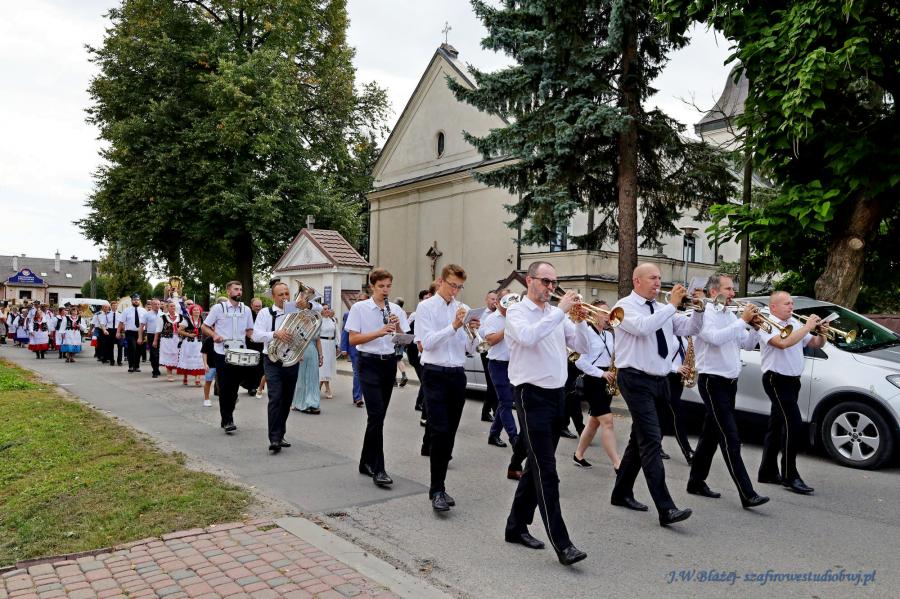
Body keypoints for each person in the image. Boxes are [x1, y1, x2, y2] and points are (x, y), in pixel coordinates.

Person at [503, 261, 590, 566]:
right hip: (530, 394)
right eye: (546, 281)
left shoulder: (556, 314)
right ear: (529, 281)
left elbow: (581, 347)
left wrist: (581, 321)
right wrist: (561, 312)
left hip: (556, 395)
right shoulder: (517, 311)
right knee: (547, 471)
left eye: (554, 282)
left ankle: (515, 526)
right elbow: (528, 337)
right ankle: (563, 544)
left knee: (536, 466)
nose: (551, 287)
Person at [609, 264, 701, 527]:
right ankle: (666, 508)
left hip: (660, 380)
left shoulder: (662, 308)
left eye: (659, 278)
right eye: (652, 278)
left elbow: (690, 328)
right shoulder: (623, 307)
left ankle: (621, 492)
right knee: (651, 441)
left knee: (641, 438)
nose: (658, 282)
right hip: (635, 378)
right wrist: (672, 306)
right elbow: (642, 328)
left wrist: (700, 310)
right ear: (637, 281)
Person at [686, 274, 769, 509]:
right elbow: (715, 338)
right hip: (712, 382)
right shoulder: (705, 313)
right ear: (714, 292)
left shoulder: (730, 315)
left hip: (730, 383)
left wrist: (755, 328)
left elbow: (747, 344)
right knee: (729, 436)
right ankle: (747, 493)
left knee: (711, 435)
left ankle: (695, 482)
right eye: (729, 289)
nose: (733, 294)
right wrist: (742, 321)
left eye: (732, 289)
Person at [415, 264, 481, 512]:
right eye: (453, 285)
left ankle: (440, 487)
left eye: (460, 287)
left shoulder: (462, 308)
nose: (455, 291)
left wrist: (473, 331)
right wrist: (453, 326)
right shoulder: (425, 307)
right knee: (440, 431)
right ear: (441, 281)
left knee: (450, 431)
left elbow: (470, 349)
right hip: (434, 373)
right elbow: (427, 343)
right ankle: (437, 489)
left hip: (456, 374)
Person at [345, 268, 410, 488]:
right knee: (376, 414)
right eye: (381, 286)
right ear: (372, 286)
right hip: (368, 363)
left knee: (377, 418)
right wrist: (379, 332)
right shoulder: (360, 308)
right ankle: (379, 468)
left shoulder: (396, 309)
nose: (385, 290)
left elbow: (405, 339)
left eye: (388, 286)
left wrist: (397, 325)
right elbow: (353, 339)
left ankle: (365, 462)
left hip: (388, 363)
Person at [758, 291, 826, 495]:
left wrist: (822, 333)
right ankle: (790, 475)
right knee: (793, 424)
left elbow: (815, 344)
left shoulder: (794, 322)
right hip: (776, 379)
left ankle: (767, 471)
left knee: (776, 425)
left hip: (793, 381)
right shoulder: (766, 323)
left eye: (791, 303)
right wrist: (807, 327)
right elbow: (782, 343)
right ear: (773, 307)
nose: (791, 307)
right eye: (786, 303)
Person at [253, 281, 304, 453]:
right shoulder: (265, 313)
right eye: (281, 294)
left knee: (287, 399)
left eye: (286, 293)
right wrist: (275, 334)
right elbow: (256, 336)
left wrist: (299, 348)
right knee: (275, 398)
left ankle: (280, 434)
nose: (285, 297)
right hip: (272, 359)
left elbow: (303, 332)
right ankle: (274, 438)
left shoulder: (295, 311)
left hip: (291, 360)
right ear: (273, 297)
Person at [572, 300, 620, 471]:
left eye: (609, 312)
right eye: (604, 313)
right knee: (607, 421)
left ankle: (578, 455)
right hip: (593, 380)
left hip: (607, 379)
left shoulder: (608, 335)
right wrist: (601, 373)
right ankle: (618, 463)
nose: (608, 316)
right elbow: (579, 362)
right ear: (593, 314)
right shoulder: (585, 332)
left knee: (594, 422)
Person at [201, 281, 255, 434]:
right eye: (236, 289)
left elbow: (249, 330)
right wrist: (214, 335)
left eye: (241, 289)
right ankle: (227, 420)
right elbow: (204, 326)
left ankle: (227, 416)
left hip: (240, 354)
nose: (239, 292)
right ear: (228, 291)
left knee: (234, 389)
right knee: (225, 387)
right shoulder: (218, 308)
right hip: (222, 353)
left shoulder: (246, 310)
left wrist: (261, 337)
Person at [483, 288, 518, 449]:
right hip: (497, 365)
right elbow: (491, 340)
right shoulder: (491, 318)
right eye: (506, 301)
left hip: (514, 365)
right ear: (498, 302)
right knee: (506, 402)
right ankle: (514, 438)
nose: (510, 304)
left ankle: (493, 434)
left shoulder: (517, 317)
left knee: (505, 403)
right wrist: (508, 327)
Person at [663, 333, 696, 464]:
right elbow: (661, 358)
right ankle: (688, 451)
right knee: (678, 414)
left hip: (678, 379)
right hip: (668, 377)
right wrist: (676, 368)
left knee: (665, 413)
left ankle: (656, 446)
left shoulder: (684, 338)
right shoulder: (668, 335)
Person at [291, 306, 324, 414]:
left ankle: (312, 403)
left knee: (313, 378)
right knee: (301, 378)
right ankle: (299, 403)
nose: (306, 314)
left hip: (313, 353)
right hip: (301, 353)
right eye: (303, 312)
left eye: (307, 312)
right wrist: (297, 354)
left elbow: (318, 341)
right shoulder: (296, 325)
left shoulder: (315, 325)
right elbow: (293, 341)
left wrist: (321, 355)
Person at [341, 293, 367, 407]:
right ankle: (358, 397)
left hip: (367, 348)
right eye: (359, 300)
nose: (360, 302)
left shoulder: (370, 314)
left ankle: (359, 395)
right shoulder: (349, 314)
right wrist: (343, 348)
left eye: (363, 300)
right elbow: (345, 331)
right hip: (354, 349)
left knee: (365, 374)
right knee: (357, 372)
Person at [480, 290, 499, 422]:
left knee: (495, 384)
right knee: (491, 383)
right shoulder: (482, 314)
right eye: (492, 299)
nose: (494, 302)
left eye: (496, 299)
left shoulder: (501, 314)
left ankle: (487, 412)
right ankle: (492, 412)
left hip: (498, 350)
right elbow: (481, 332)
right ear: (486, 300)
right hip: (486, 350)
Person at [177, 303, 206, 386]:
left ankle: (197, 379)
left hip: (198, 343)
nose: (196, 311)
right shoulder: (186, 320)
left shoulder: (202, 320)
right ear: (191, 311)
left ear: (200, 311)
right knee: (187, 360)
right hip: (188, 343)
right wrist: (189, 334)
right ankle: (185, 377)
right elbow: (179, 330)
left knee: (199, 360)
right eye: (194, 310)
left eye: (198, 310)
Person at [243, 297, 266, 398]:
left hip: (261, 344)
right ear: (251, 306)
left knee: (260, 367)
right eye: (256, 306)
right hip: (250, 344)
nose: (258, 308)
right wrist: (251, 337)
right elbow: (245, 328)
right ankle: (251, 387)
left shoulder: (264, 315)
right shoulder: (248, 316)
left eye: (260, 306)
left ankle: (258, 386)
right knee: (251, 366)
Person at [117, 294, 146, 373]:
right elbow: (121, 322)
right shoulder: (126, 310)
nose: (136, 301)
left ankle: (137, 366)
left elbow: (146, 322)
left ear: (139, 301)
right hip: (130, 332)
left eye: (137, 300)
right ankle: (131, 366)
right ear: (131, 301)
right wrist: (118, 332)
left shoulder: (143, 311)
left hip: (140, 332)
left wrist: (146, 333)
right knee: (132, 348)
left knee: (138, 350)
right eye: (134, 300)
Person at [159, 301, 184, 381]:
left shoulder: (181, 317)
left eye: (174, 306)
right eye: (171, 306)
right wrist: (155, 341)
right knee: (168, 356)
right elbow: (158, 330)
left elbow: (185, 327)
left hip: (178, 339)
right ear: (167, 308)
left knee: (179, 355)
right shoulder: (163, 317)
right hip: (167, 339)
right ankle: (169, 373)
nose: (173, 307)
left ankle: (180, 371)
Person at [318, 305, 337, 399]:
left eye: (328, 308)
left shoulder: (332, 320)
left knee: (328, 367)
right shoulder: (319, 320)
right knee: (324, 366)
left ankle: (317, 388)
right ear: (321, 311)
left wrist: (337, 345)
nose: (327, 310)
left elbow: (336, 333)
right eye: (325, 309)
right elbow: (316, 336)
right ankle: (327, 389)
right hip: (323, 344)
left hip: (331, 344)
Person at [142, 299, 162, 378]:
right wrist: (140, 337)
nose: (157, 306)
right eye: (155, 304)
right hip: (151, 335)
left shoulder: (163, 314)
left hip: (161, 335)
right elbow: (141, 326)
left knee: (159, 353)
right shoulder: (147, 314)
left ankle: (157, 368)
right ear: (152, 305)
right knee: (154, 353)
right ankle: (155, 370)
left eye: (158, 304)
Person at [393, 297, 409, 387]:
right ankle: (404, 375)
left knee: (393, 358)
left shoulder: (395, 311)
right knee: (398, 358)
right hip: (402, 337)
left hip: (395, 337)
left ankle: (394, 380)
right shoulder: (404, 313)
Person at [200, 334, 216, 407]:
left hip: (221, 364)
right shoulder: (208, 340)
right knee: (208, 381)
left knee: (223, 382)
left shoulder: (224, 338)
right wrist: (205, 364)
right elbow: (204, 352)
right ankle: (206, 399)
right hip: (210, 365)